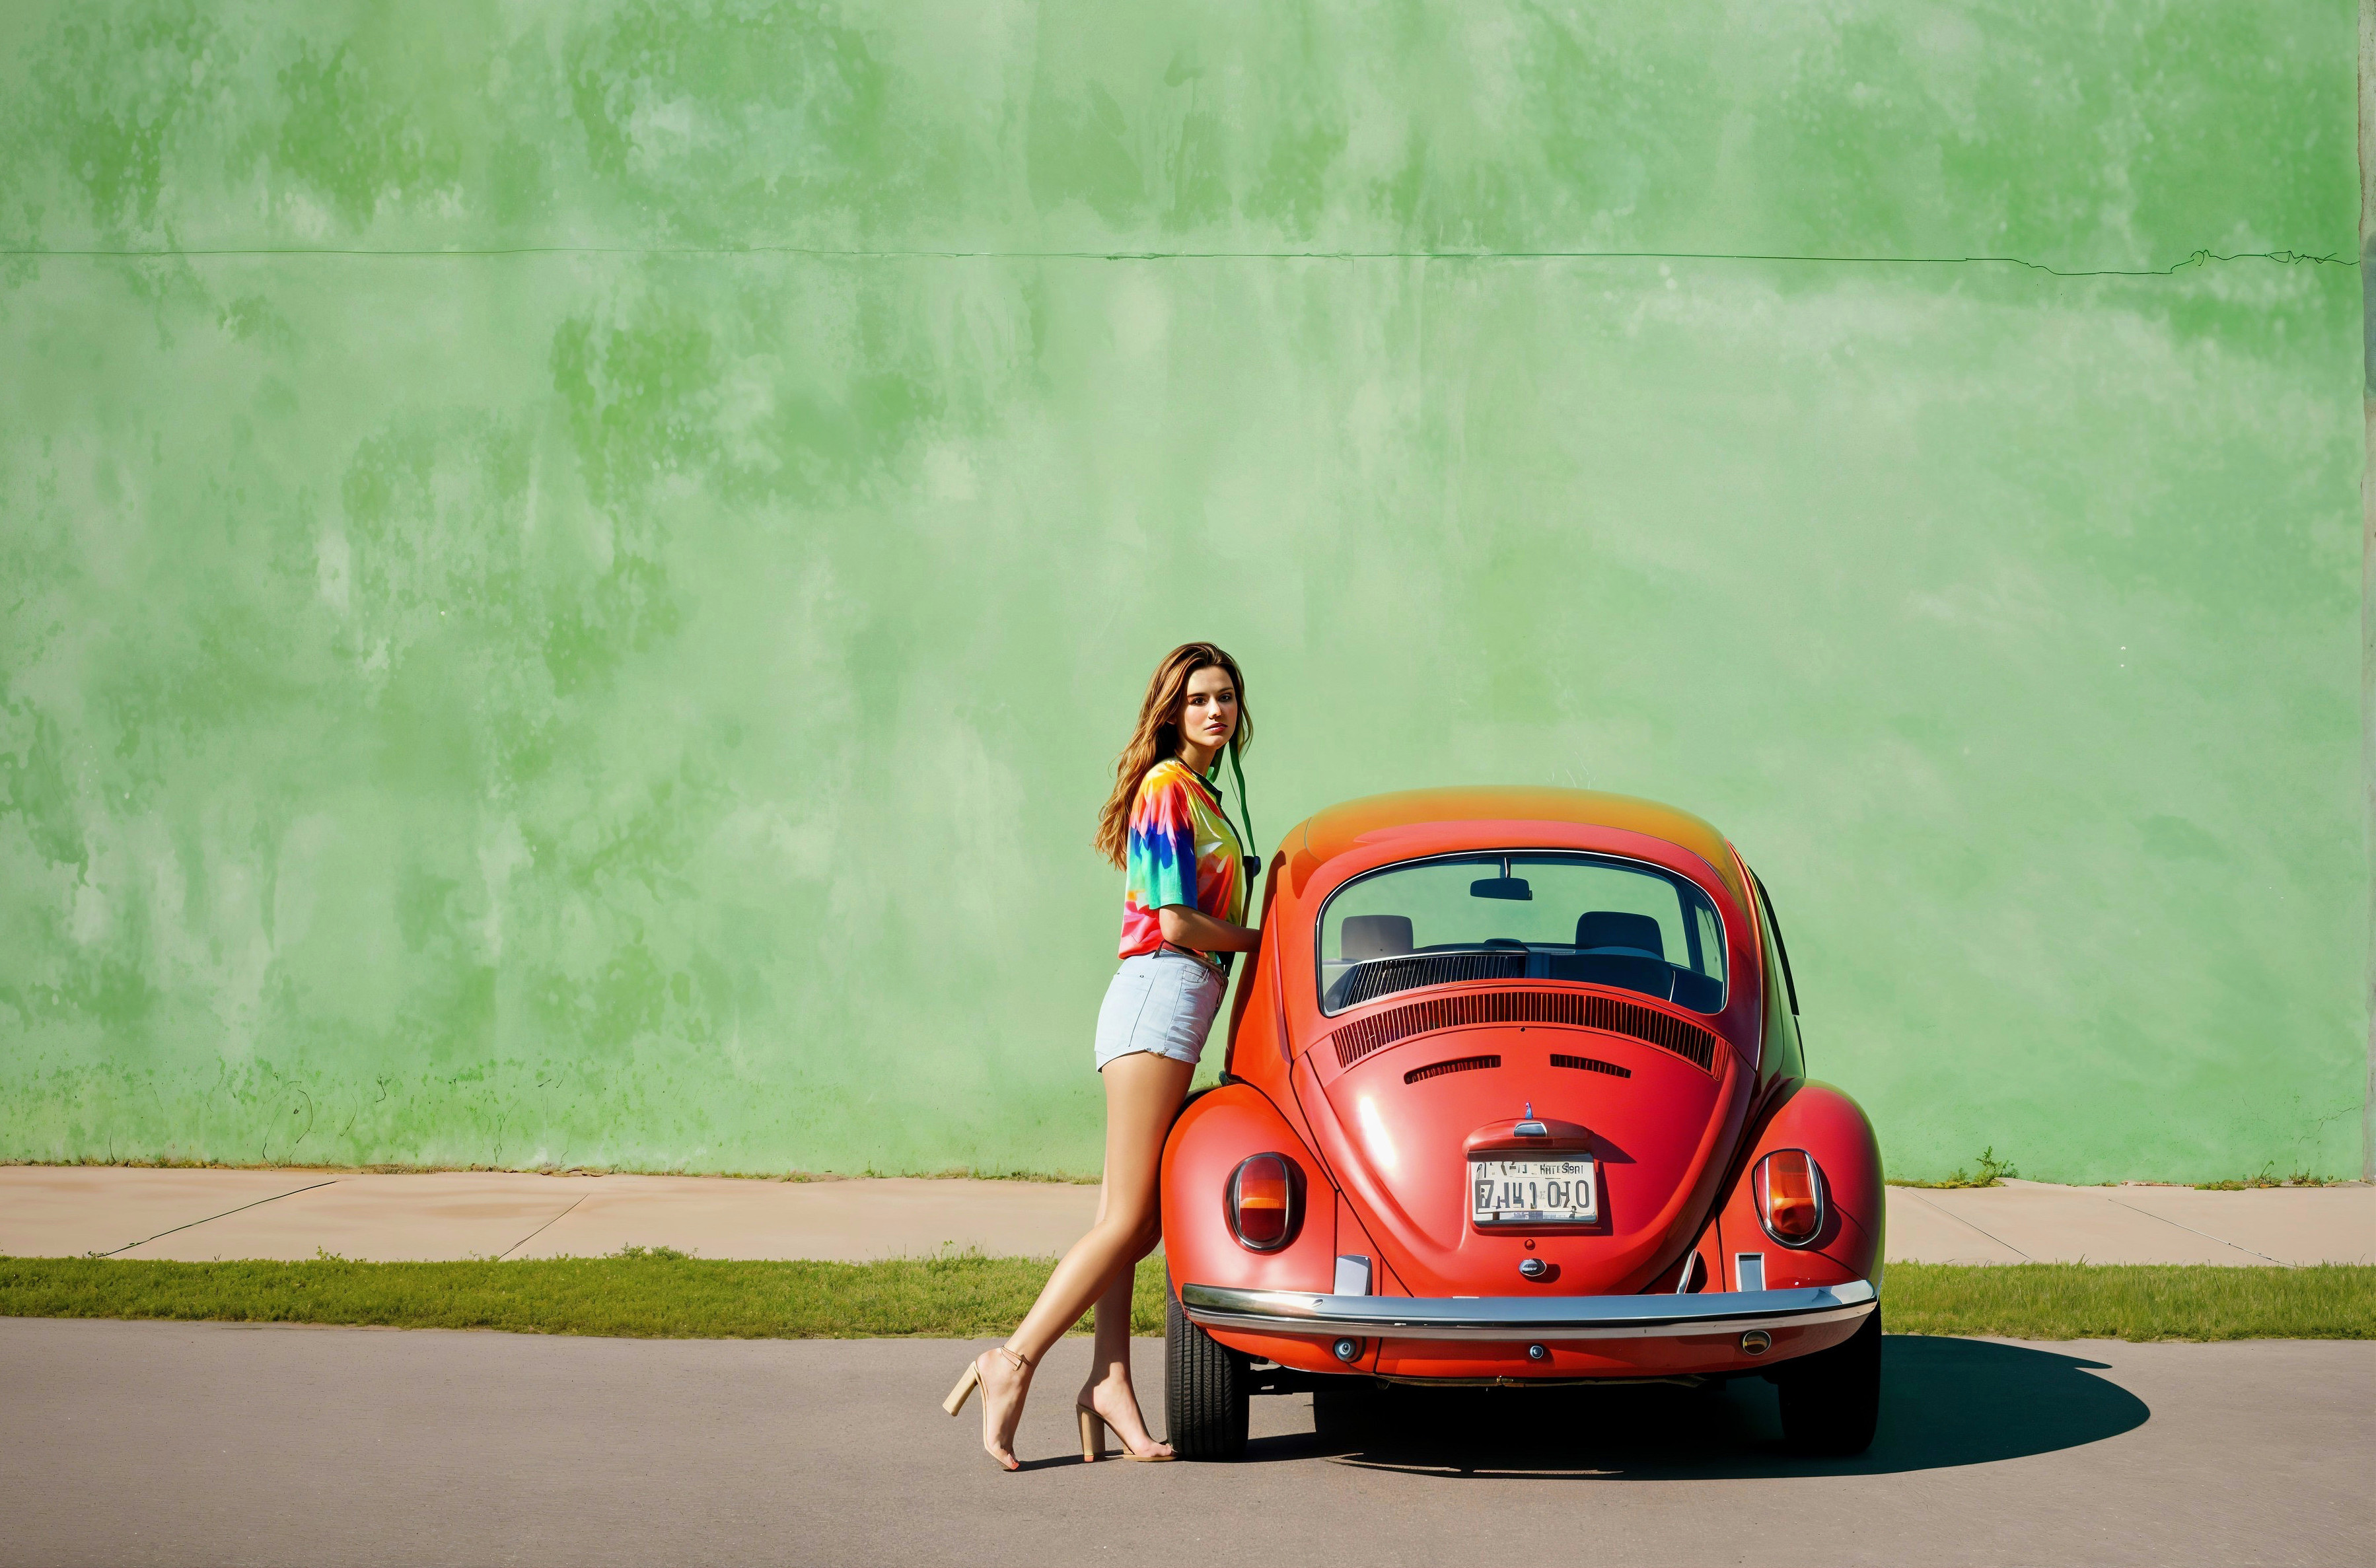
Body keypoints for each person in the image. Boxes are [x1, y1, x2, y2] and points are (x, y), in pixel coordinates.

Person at [943, 642, 1262, 1469]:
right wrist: (1261, 939)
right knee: (1131, 1219)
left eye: (1225, 697)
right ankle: (1011, 1360)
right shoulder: (1166, 789)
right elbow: (1177, 921)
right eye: (1198, 698)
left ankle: (1109, 1380)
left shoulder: (1203, 793)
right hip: (1161, 991)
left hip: (1177, 1000)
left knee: (1128, 1217)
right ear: (1171, 710)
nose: (1215, 711)